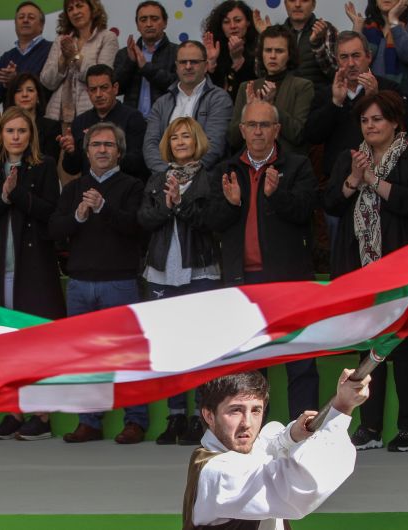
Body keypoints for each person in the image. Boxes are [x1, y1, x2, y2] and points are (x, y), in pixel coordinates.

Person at [323, 91, 408, 452]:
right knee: (370, 347)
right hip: (361, 267)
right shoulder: (350, 158)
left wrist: (373, 180)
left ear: (395, 122)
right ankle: (369, 427)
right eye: (365, 120)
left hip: (402, 268)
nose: (370, 126)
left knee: (402, 346)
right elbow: (332, 205)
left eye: (377, 119)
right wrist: (354, 179)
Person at [210, 100, 320, 421]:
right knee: (251, 369)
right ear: (242, 130)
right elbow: (211, 221)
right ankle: (253, 437)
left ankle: (303, 434)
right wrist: (231, 205)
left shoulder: (297, 166)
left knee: (300, 362)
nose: (258, 131)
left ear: (277, 130)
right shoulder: (226, 169)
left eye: (265, 125)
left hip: (289, 283)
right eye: (252, 125)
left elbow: (304, 211)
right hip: (243, 284)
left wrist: (277, 195)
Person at [48, 122, 147, 444]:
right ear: (87, 151)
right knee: (85, 357)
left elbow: (137, 227)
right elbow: (55, 230)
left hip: (119, 282)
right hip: (79, 283)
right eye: (95, 145)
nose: (102, 150)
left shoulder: (132, 186)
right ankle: (89, 421)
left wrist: (104, 208)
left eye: (109, 145)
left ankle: (136, 420)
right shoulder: (73, 189)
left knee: (127, 356)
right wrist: (78, 217)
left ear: (119, 151)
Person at [0, 107, 65, 441]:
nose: (15, 137)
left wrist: (19, 194)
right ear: (0, 135)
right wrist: (2, 197)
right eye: (9, 131)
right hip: (0, 270)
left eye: (21, 131)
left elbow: (51, 213)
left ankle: (40, 416)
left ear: (31, 136)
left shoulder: (42, 168)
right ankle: (14, 411)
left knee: (36, 343)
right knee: (7, 345)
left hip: (33, 270)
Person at [183, 370, 370, 529]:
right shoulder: (218, 473)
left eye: (256, 410)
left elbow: (266, 448)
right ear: (209, 415)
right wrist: (342, 407)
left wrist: (292, 436)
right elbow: (297, 485)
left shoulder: (237, 451)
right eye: (235, 410)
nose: (247, 423)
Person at [137, 117, 220, 446]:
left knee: (200, 348)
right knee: (171, 347)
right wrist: (167, 206)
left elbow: (212, 221)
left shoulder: (207, 179)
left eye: (186, 136)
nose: (181, 142)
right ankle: (174, 417)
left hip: (199, 270)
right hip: (162, 272)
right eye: (175, 138)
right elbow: (143, 219)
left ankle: (202, 419)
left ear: (197, 140)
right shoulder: (157, 179)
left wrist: (181, 204)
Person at [306, 31, 403, 189]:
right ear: (337, 61)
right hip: (339, 181)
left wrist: (375, 98)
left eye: (356, 55)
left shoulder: (389, 89)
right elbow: (313, 135)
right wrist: (335, 103)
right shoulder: (325, 94)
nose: (350, 63)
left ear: (369, 57)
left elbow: (402, 130)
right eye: (344, 57)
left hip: (383, 178)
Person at [144, 41, 233, 173]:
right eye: (183, 62)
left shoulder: (219, 99)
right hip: (165, 179)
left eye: (194, 62)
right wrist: (167, 173)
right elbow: (150, 145)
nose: (188, 66)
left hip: (205, 180)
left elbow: (214, 145)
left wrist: (188, 175)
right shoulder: (161, 103)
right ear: (176, 66)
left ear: (206, 66)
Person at [229, 25, 314, 156]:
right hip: (250, 163)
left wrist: (271, 105)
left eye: (279, 51)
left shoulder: (303, 86)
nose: (273, 56)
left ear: (289, 54)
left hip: (286, 163)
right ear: (261, 53)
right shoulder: (246, 87)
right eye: (268, 50)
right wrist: (249, 111)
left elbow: (298, 135)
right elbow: (232, 140)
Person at [60, 64, 148, 181]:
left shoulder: (133, 118)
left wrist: (106, 156)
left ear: (115, 88)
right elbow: (72, 169)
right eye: (93, 89)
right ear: (88, 92)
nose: (98, 94)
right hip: (89, 189)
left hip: (124, 188)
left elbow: (138, 162)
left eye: (104, 88)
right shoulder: (80, 121)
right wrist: (71, 153)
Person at [345, 0, 408, 116]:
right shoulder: (368, 28)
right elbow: (356, 62)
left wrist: (394, 21)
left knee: (402, 134)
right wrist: (357, 28)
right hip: (373, 102)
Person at [40, 0, 118, 124]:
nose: (75, 12)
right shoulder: (61, 40)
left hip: (90, 114)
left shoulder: (107, 37)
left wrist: (74, 56)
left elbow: (101, 78)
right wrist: (63, 60)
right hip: (57, 117)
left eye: (79, 6)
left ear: (93, 8)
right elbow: (47, 81)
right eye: (70, 9)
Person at [113, 1, 178, 119]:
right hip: (132, 123)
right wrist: (130, 62)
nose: (149, 24)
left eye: (154, 19)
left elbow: (178, 87)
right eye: (143, 20)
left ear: (165, 23)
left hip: (166, 121)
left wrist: (146, 68)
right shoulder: (124, 54)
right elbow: (116, 89)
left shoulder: (178, 52)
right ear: (137, 25)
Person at [0, 1, 53, 104]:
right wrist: (5, 84)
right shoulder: (7, 57)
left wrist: (16, 80)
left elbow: (50, 87)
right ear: (15, 24)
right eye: (21, 17)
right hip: (11, 118)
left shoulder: (52, 50)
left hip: (40, 117)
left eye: (31, 17)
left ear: (41, 26)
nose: (25, 20)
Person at [201, 0, 259, 101]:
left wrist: (238, 60)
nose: (232, 26)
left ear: (248, 22)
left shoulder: (259, 48)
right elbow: (209, 92)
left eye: (238, 20)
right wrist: (211, 64)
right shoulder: (215, 49)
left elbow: (252, 87)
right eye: (226, 22)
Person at [281, 0, 338, 87]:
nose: (297, 5)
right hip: (284, 98)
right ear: (285, 4)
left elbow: (335, 73)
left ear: (313, 5)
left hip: (318, 97)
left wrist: (317, 45)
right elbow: (260, 73)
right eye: (292, 0)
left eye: (304, 0)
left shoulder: (326, 29)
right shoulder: (277, 33)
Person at [4, 72, 60, 160]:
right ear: (12, 97)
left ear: (38, 97)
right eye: (19, 91)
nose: (25, 94)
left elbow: (51, 163)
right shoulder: (3, 126)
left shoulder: (51, 127)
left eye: (30, 90)